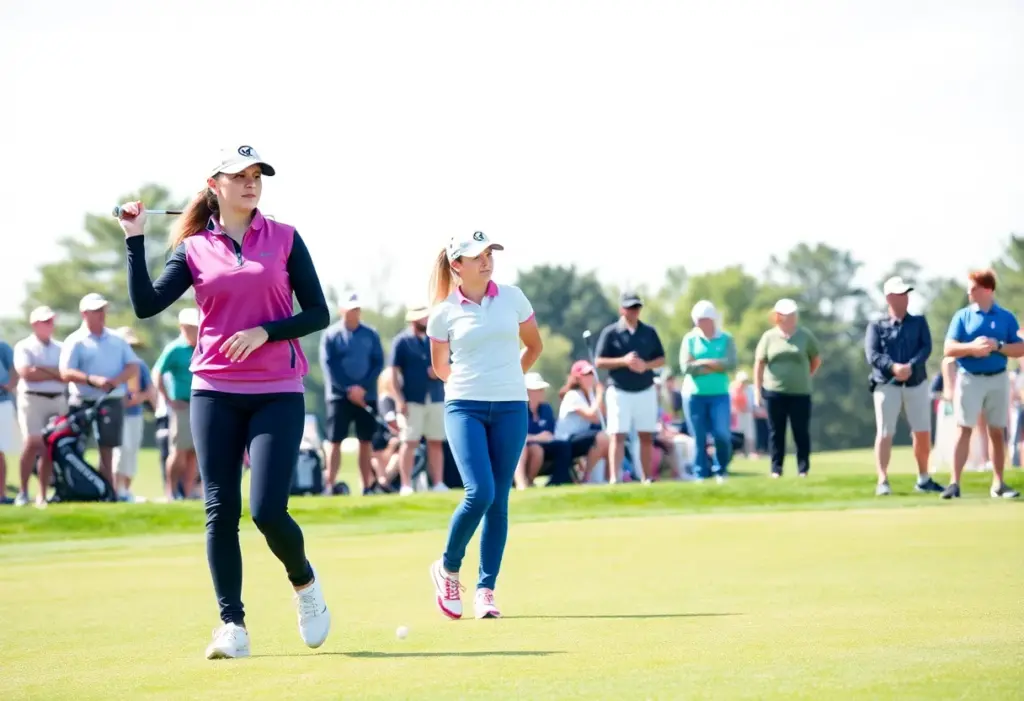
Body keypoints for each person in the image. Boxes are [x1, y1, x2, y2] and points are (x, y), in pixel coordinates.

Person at [117, 144, 333, 659]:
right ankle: (231, 625)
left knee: (267, 511)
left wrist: (265, 332)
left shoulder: (284, 238)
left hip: (277, 390)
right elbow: (147, 306)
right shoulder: (193, 249)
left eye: (256, 175)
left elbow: (318, 313)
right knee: (219, 508)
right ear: (214, 185)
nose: (250, 183)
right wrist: (133, 239)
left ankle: (305, 585)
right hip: (214, 388)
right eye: (238, 176)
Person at [425, 231, 542, 620]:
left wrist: (509, 375)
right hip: (464, 408)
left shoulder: (513, 297)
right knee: (481, 492)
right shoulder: (443, 313)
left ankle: (486, 590)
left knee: (500, 499)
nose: (486, 260)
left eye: (489, 253)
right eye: (476, 256)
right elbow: (441, 367)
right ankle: (448, 567)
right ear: (456, 265)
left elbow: (534, 345)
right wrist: (471, 382)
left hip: (511, 406)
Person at [940, 269, 1023, 499]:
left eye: (973, 288)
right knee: (963, 429)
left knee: (997, 431)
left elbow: (1020, 348)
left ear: (987, 289)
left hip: (998, 378)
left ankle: (998, 484)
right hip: (969, 379)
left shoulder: (1005, 317)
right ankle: (954, 483)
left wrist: (998, 346)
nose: (969, 292)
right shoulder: (962, 316)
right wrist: (972, 349)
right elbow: (948, 349)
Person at [864, 276, 944, 496]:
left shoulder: (918, 322)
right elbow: (872, 355)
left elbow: (925, 347)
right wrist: (893, 367)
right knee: (885, 432)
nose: (905, 298)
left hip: (916, 383)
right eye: (900, 294)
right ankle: (882, 480)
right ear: (889, 297)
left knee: (922, 432)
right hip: (886, 385)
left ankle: (923, 478)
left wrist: (910, 365)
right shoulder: (876, 326)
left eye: (906, 294)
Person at [59, 293, 140, 488]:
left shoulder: (117, 339)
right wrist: (92, 380)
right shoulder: (75, 340)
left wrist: (115, 380)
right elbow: (66, 372)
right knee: (77, 447)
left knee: (108, 448)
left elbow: (132, 366)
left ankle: (107, 490)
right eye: (96, 311)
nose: (101, 314)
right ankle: (77, 487)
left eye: (102, 310)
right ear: (84, 314)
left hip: (111, 399)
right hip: (82, 400)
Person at [594, 290, 666, 484]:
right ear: (621, 310)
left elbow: (661, 359)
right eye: (629, 308)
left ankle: (646, 477)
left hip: (645, 389)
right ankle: (615, 478)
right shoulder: (611, 333)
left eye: (636, 307)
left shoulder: (649, 332)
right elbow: (599, 361)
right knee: (617, 434)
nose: (633, 311)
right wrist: (623, 361)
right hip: (619, 390)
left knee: (645, 435)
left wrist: (646, 365)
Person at [319, 292, 385, 495]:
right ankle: (330, 485)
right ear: (342, 311)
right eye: (350, 309)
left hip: (367, 395)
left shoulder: (370, 334)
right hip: (339, 397)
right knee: (335, 441)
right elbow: (329, 366)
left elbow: (378, 363)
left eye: (356, 309)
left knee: (365, 441)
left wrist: (362, 388)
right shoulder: (331, 335)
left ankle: (366, 486)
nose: (354, 313)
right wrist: (348, 389)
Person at [753, 298, 821, 477]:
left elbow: (815, 359)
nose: (791, 318)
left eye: (793, 314)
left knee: (801, 431)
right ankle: (776, 469)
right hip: (774, 392)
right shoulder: (769, 337)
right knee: (776, 432)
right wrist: (757, 391)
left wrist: (805, 376)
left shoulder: (805, 336)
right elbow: (759, 364)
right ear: (779, 317)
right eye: (787, 315)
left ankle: (803, 469)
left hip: (800, 392)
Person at [388, 304, 447, 496]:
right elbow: (393, 374)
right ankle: (406, 484)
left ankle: (438, 483)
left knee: (435, 441)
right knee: (409, 441)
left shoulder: (435, 339)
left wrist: (438, 372)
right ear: (414, 320)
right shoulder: (401, 342)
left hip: (436, 397)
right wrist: (399, 399)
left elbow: (448, 364)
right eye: (423, 318)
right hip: (412, 399)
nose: (427, 320)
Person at [12, 305, 66, 507]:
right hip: (31, 398)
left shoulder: (61, 347)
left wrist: (43, 369)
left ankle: (42, 494)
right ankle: (23, 491)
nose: (49, 325)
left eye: (51, 321)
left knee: (49, 447)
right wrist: (54, 372)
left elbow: (65, 374)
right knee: (32, 442)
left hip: (57, 398)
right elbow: (27, 373)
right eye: (44, 322)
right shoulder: (24, 346)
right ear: (34, 324)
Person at [679, 300, 737, 482]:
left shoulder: (726, 338)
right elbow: (686, 367)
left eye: (702, 319)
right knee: (699, 437)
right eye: (697, 320)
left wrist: (701, 362)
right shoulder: (690, 339)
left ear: (711, 320)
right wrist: (713, 363)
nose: (699, 323)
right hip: (694, 395)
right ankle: (700, 473)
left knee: (722, 434)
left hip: (719, 394)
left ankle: (721, 470)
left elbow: (730, 363)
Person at [153, 308, 200, 501]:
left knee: (194, 453)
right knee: (179, 451)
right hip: (181, 406)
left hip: (200, 406)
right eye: (192, 328)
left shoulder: (203, 346)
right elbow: (157, 373)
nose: (196, 331)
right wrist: (168, 399)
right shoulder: (174, 348)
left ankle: (187, 494)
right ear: (183, 328)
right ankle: (170, 493)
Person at [112, 327, 157, 502]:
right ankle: (116, 490)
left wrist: (139, 398)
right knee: (119, 452)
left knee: (131, 453)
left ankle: (126, 491)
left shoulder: (139, 365)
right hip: (116, 413)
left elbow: (149, 390)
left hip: (134, 414)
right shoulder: (113, 364)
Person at [554, 360, 609, 484]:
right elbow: (591, 415)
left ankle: (609, 478)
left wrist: (597, 396)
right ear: (577, 378)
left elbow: (602, 416)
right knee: (602, 438)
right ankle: (586, 477)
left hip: (580, 438)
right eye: (586, 375)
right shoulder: (573, 395)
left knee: (608, 438)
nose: (590, 378)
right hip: (565, 442)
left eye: (591, 374)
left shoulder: (590, 396)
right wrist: (599, 394)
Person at [515, 372, 575, 488]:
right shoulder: (519, 410)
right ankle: (525, 482)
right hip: (525, 447)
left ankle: (559, 480)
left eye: (541, 389)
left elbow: (550, 432)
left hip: (544, 444)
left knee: (564, 446)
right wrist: (537, 438)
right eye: (537, 389)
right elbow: (514, 437)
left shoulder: (546, 409)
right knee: (536, 450)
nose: (542, 392)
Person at [0, 337, 16, 505]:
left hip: (1, 402)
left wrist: (9, 385)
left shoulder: (2, 346)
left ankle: (1, 494)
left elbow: (14, 369)